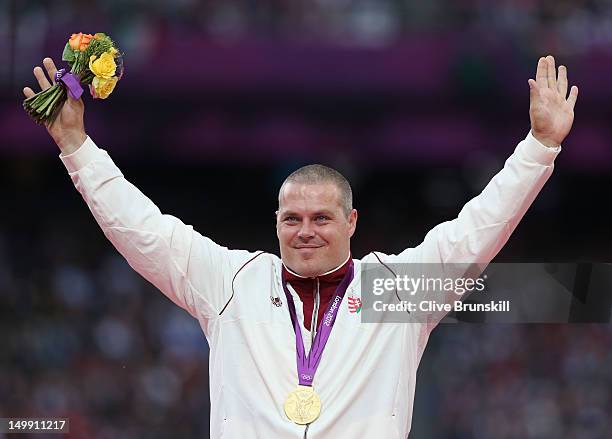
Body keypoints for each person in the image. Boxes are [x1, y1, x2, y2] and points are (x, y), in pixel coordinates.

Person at [23, 55, 578, 438]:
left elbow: (476, 230)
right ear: (276, 222)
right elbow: (141, 228)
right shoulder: (232, 283)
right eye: (292, 218)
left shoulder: (395, 293)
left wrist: (539, 147)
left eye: (321, 217)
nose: (305, 229)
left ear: (352, 222)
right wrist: (76, 146)